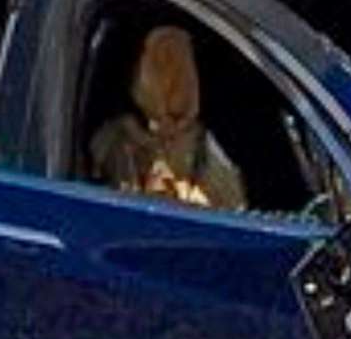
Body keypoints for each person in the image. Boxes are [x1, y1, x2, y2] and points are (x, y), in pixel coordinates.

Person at [89, 25, 246, 211]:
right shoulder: (116, 137)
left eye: (178, 64)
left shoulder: (203, 148)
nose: (172, 79)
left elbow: (229, 208)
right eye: (160, 64)